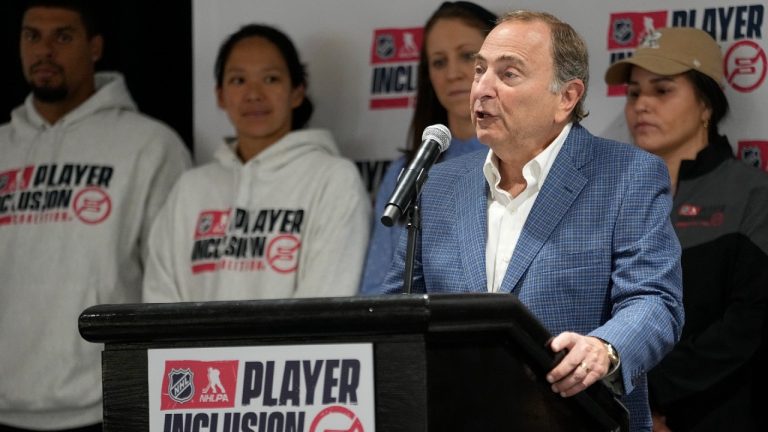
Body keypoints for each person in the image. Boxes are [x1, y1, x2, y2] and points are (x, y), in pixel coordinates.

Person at [375, 10, 685, 431]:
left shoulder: (627, 176)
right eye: (480, 69)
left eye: (508, 74)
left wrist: (604, 349)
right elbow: (398, 314)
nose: (481, 88)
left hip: (573, 416)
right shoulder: (439, 185)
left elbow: (654, 300)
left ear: (567, 97)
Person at [0, 0, 191, 430]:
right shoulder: (2, 148)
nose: (44, 50)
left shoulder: (150, 145)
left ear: (95, 47)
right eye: (32, 36)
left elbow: (173, 286)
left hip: (106, 403)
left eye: (62, 36)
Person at [605, 26, 768, 432]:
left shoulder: (752, 193)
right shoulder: (613, 198)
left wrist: (656, 397)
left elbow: (749, 324)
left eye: (662, 91)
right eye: (634, 93)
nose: (642, 105)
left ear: (706, 105)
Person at [142, 24, 370, 302]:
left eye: (271, 79)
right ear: (220, 96)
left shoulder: (334, 180)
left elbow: (325, 305)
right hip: (192, 348)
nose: (253, 94)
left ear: (297, 92)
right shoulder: (190, 189)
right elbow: (160, 301)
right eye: (238, 81)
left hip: (301, 347)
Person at [359, 1, 497, 294]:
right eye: (439, 61)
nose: (452, 73)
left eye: (467, 56)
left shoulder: (525, 158)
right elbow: (377, 289)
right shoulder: (406, 172)